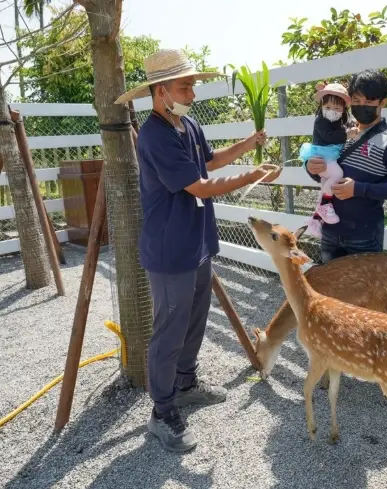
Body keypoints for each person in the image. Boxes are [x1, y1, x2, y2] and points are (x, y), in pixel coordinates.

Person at [115, 49, 281, 453]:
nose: (192, 90)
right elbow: (200, 186)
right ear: (160, 91)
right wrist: (251, 175)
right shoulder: (155, 135)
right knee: (169, 328)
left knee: (195, 316)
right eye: (185, 85)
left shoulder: (185, 123)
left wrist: (248, 144)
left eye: (192, 83)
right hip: (171, 246)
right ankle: (162, 410)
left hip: (195, 239)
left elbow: (209, 161)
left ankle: (186, 382)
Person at [304, 69, 387, 264]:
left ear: (383, 102)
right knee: (330, 291)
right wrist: (311, 168)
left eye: (369, 102)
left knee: (364, 294)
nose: (362, 106)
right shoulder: (339, 132)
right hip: (330, 232)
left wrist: (358, 189)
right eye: (356, 100)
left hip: (364, 236)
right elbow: (324, 174)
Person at [297, 82, 358, 238]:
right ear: (322, 106)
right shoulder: (320, 121)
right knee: (337, 174)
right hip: (324, 155)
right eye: (329, 108)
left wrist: (350, 127)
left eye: (337, 109)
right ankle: (324, 206)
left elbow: (345, 125)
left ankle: (315, 220)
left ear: (343, 109)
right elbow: (330, 136)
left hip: (328, 155)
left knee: (326, 186)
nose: (333, 112)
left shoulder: (340, 120)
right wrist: (347, 135)